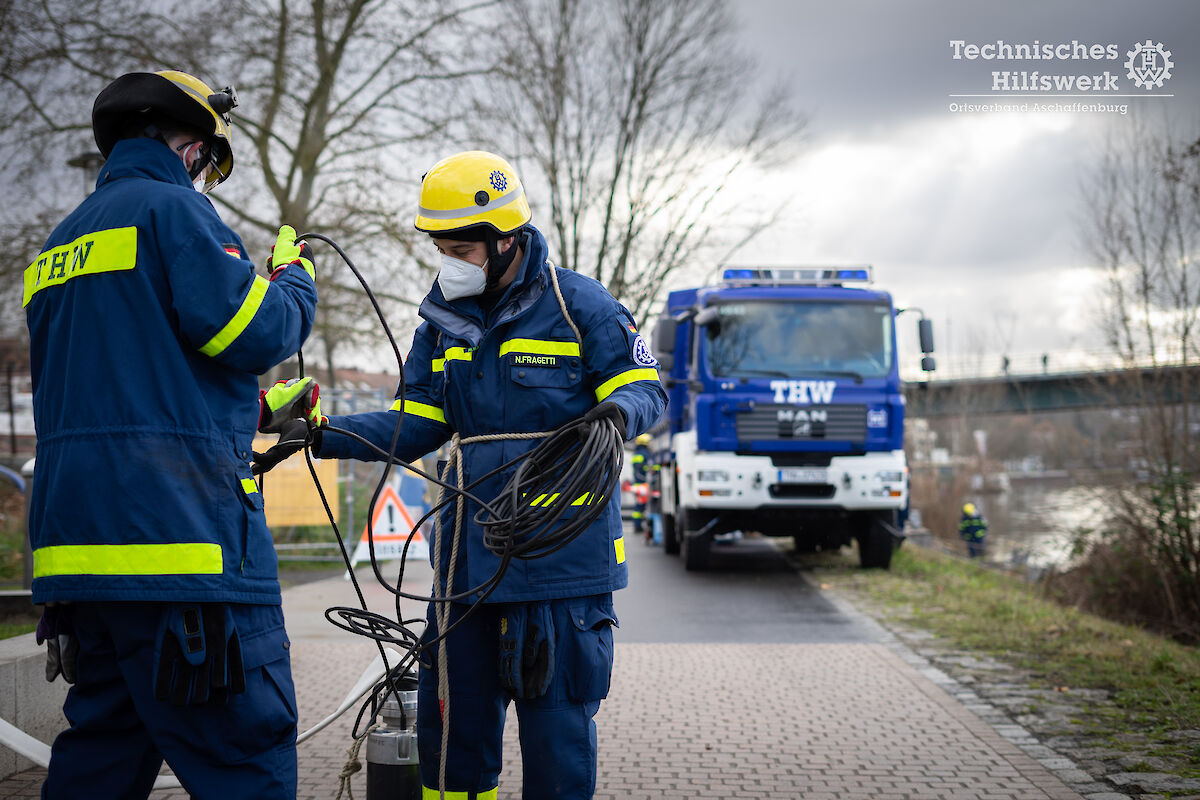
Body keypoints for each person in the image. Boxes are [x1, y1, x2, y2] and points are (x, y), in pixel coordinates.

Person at [308, 150, 667, 799]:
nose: (449, 261)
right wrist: (322, 433)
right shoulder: (441, 322)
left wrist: (615, 412)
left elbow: (645, 387)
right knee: (453, 742)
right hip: (465, 570)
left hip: (561, 563)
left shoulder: (581, 305)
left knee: (555, 738)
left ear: (506, 239)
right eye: (439, 247)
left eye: (461, 249)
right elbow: (415, 421)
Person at [24, 69, 319, 799]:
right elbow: (255, 331)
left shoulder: (57, 249)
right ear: (190, 147)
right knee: (242, 760)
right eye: (207, 167)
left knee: (101, 758)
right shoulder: (175, 214)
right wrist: (294, 278)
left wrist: (251, 416)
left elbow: (119, 388)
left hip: (82, 565)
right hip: (183, 554)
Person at [631, 433, 652, 542]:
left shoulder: (636, 454)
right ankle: (639, 526)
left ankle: (637, 525)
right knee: (642, 506)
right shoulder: (645, 454)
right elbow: (649, 468)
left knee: (638, 506)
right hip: (643, 484)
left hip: (637, 484)